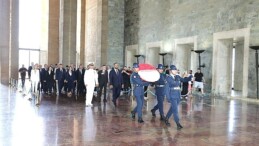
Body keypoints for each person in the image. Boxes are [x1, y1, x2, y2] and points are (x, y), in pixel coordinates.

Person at [164, 65, 193, 130]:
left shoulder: (177, 76)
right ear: (171, 71)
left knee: (172, 109)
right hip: (172, 96)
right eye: (174, 70)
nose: (176, 71)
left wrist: (190, 76)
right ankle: (178, 123)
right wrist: (168, 98)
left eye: (176, 70)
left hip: (177, 95)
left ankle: (166, 118)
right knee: (175, 110)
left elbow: (184, 80)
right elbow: (171, 86)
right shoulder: (168, 78)